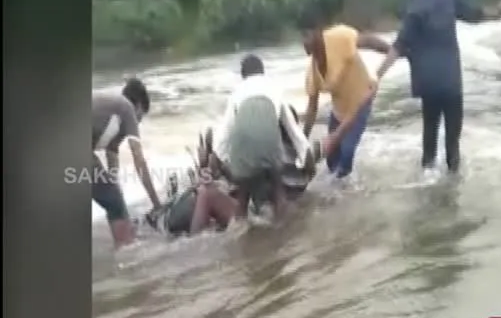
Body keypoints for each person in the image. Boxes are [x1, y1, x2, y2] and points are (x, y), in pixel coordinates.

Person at [150, 99, 371, 237]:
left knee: (207, 193)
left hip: (259, 221)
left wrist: (207, 163)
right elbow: (337, 135)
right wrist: (360, 103)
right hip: (279, 220)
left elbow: (233, 174)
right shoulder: (305, 160)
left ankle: (195, 245)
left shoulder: (259, 156)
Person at [374, 0, 501, 177]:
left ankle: (428, 188)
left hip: (429, 84)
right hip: (451, 82)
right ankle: (452, 192)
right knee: (453, 143)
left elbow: (399, 45)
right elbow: (473, 14)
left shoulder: (416, 7)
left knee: (429, 139)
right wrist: (497, 14)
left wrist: (376, 77)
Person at [214, 54, 313, 224]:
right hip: (270, 143)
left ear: (243, 75)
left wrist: (219, 159)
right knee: (278, 188)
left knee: (243, 196)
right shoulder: (274, 88)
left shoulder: (237, 91)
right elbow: (292, 129)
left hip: (242, 145)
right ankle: (282, 228)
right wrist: (305, 158)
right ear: (262, 72)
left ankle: (239, 233)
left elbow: (225, 132)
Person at [302, 24, 391, 180]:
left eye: (309, 36)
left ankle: (348, 196)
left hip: (362, 99)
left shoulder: (339, 38)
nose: (306, 41)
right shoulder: (313, 72)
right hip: (339, 111)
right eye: (303, 38)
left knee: (346, 154)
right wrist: (302, 140)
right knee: (331, 161)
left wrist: (394, 51)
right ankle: (335, 194)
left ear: (318, 33)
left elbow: (368, 41)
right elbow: (312, 109)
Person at [92, 77, 161, 248]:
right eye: (141, 117)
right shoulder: (126, 108)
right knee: (114, 202)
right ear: (138, 105)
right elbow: (139, 160)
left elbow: (111, 152)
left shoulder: (111, 113)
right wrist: (157, 204)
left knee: (111, 195)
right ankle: (126, 251)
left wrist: (114, 184)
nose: (138, 122)